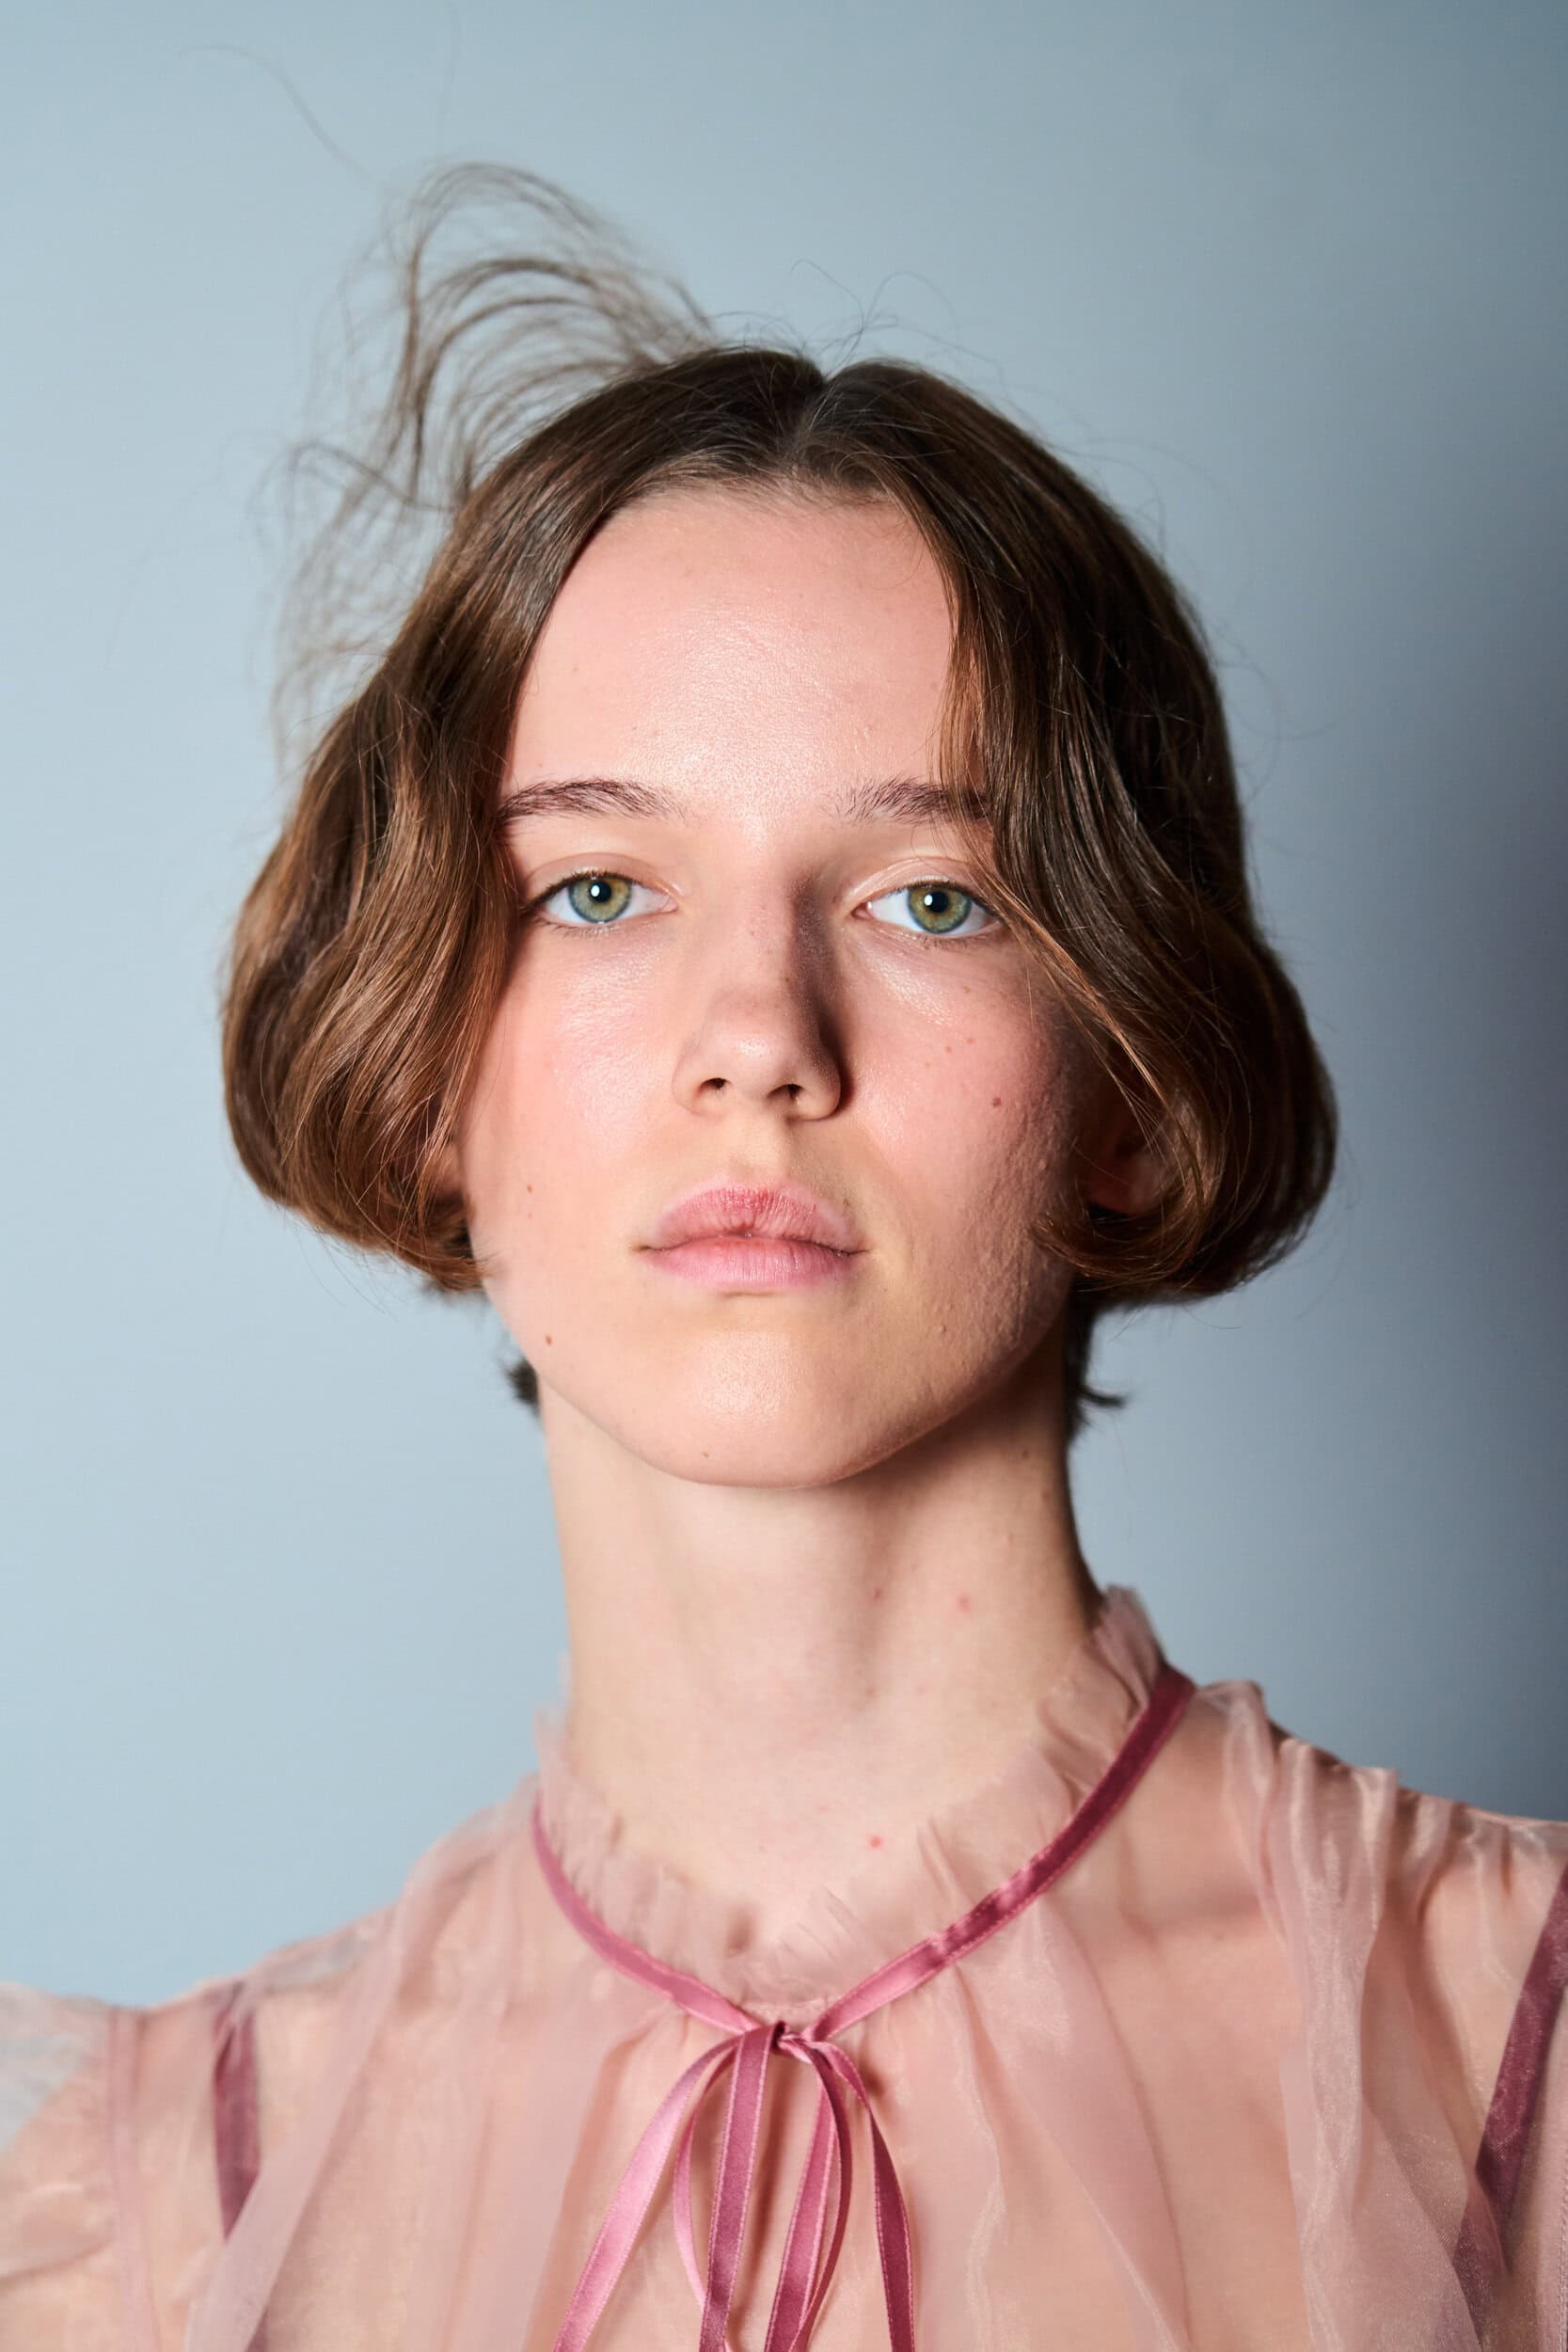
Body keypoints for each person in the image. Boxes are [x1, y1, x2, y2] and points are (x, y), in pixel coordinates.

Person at [2, 165, 1564, 2352]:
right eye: (597, 890)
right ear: (425, 1061)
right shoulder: (132, 2216)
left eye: (932, 898)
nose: (758, 1036)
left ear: (1127, 1076)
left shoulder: (1525, 2060)